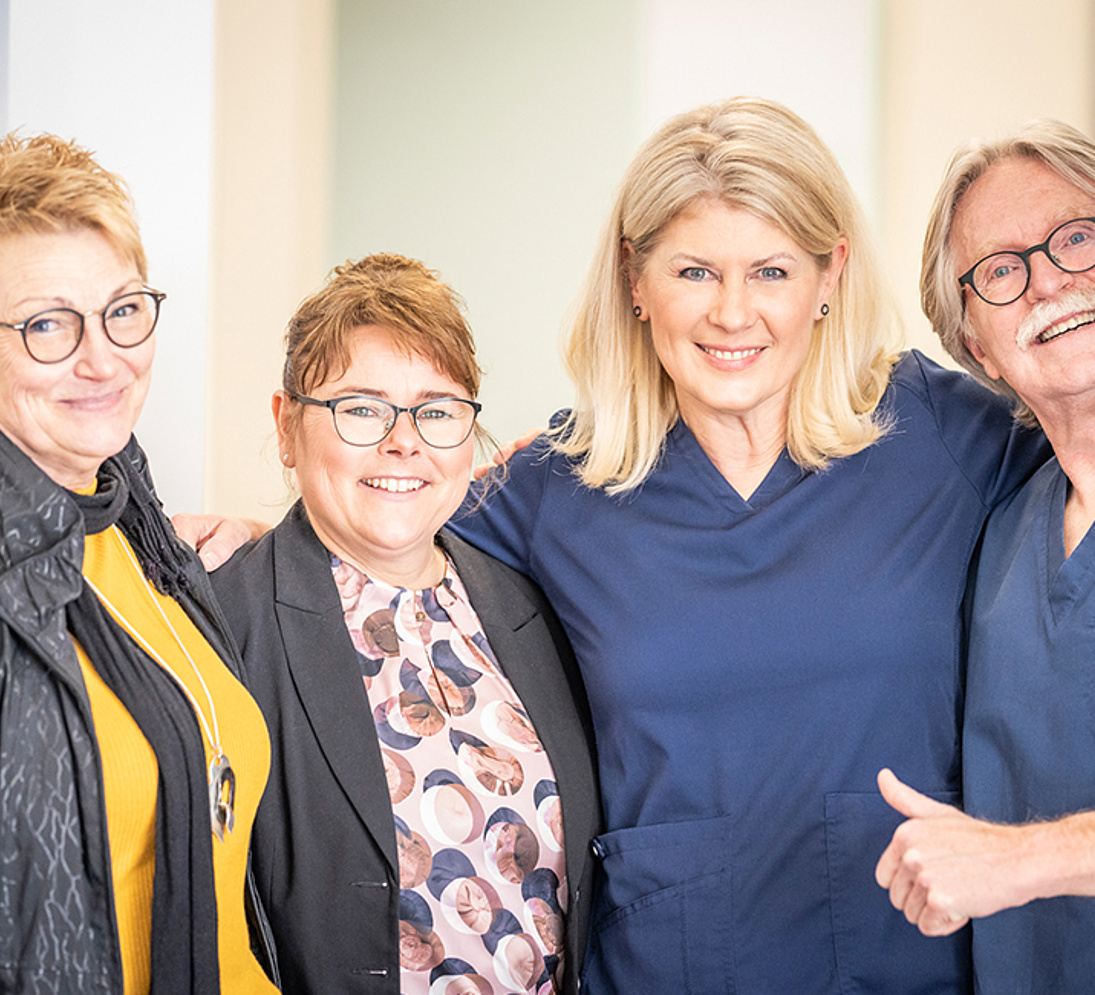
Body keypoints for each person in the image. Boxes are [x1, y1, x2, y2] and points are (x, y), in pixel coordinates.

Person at [182, 98, 1049, 993]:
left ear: (831, 273)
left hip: (907, 962)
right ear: (635, 279)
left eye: (771, 270)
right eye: (693, 271)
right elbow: (391, 526)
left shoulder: (944, 435)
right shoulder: (558, 485)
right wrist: (259, 532)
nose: (732, 313)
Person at [210, 253, 599, 994]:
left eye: (437, 409)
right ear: (286, 425)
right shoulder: (224, 626)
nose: (404, 440)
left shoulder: (532, 606)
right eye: (362, 408)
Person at [0, 134, 278, 992]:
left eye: (122, 309)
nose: (102, 357)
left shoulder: (133, 521)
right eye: (47, 324)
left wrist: (268, 544)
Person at [875, 119, 1095, 993]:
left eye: (1076, 236)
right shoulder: (1004, 524)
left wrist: (1019, 860)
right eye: (1000, 270)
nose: (1048, 279)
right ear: (975, 345)